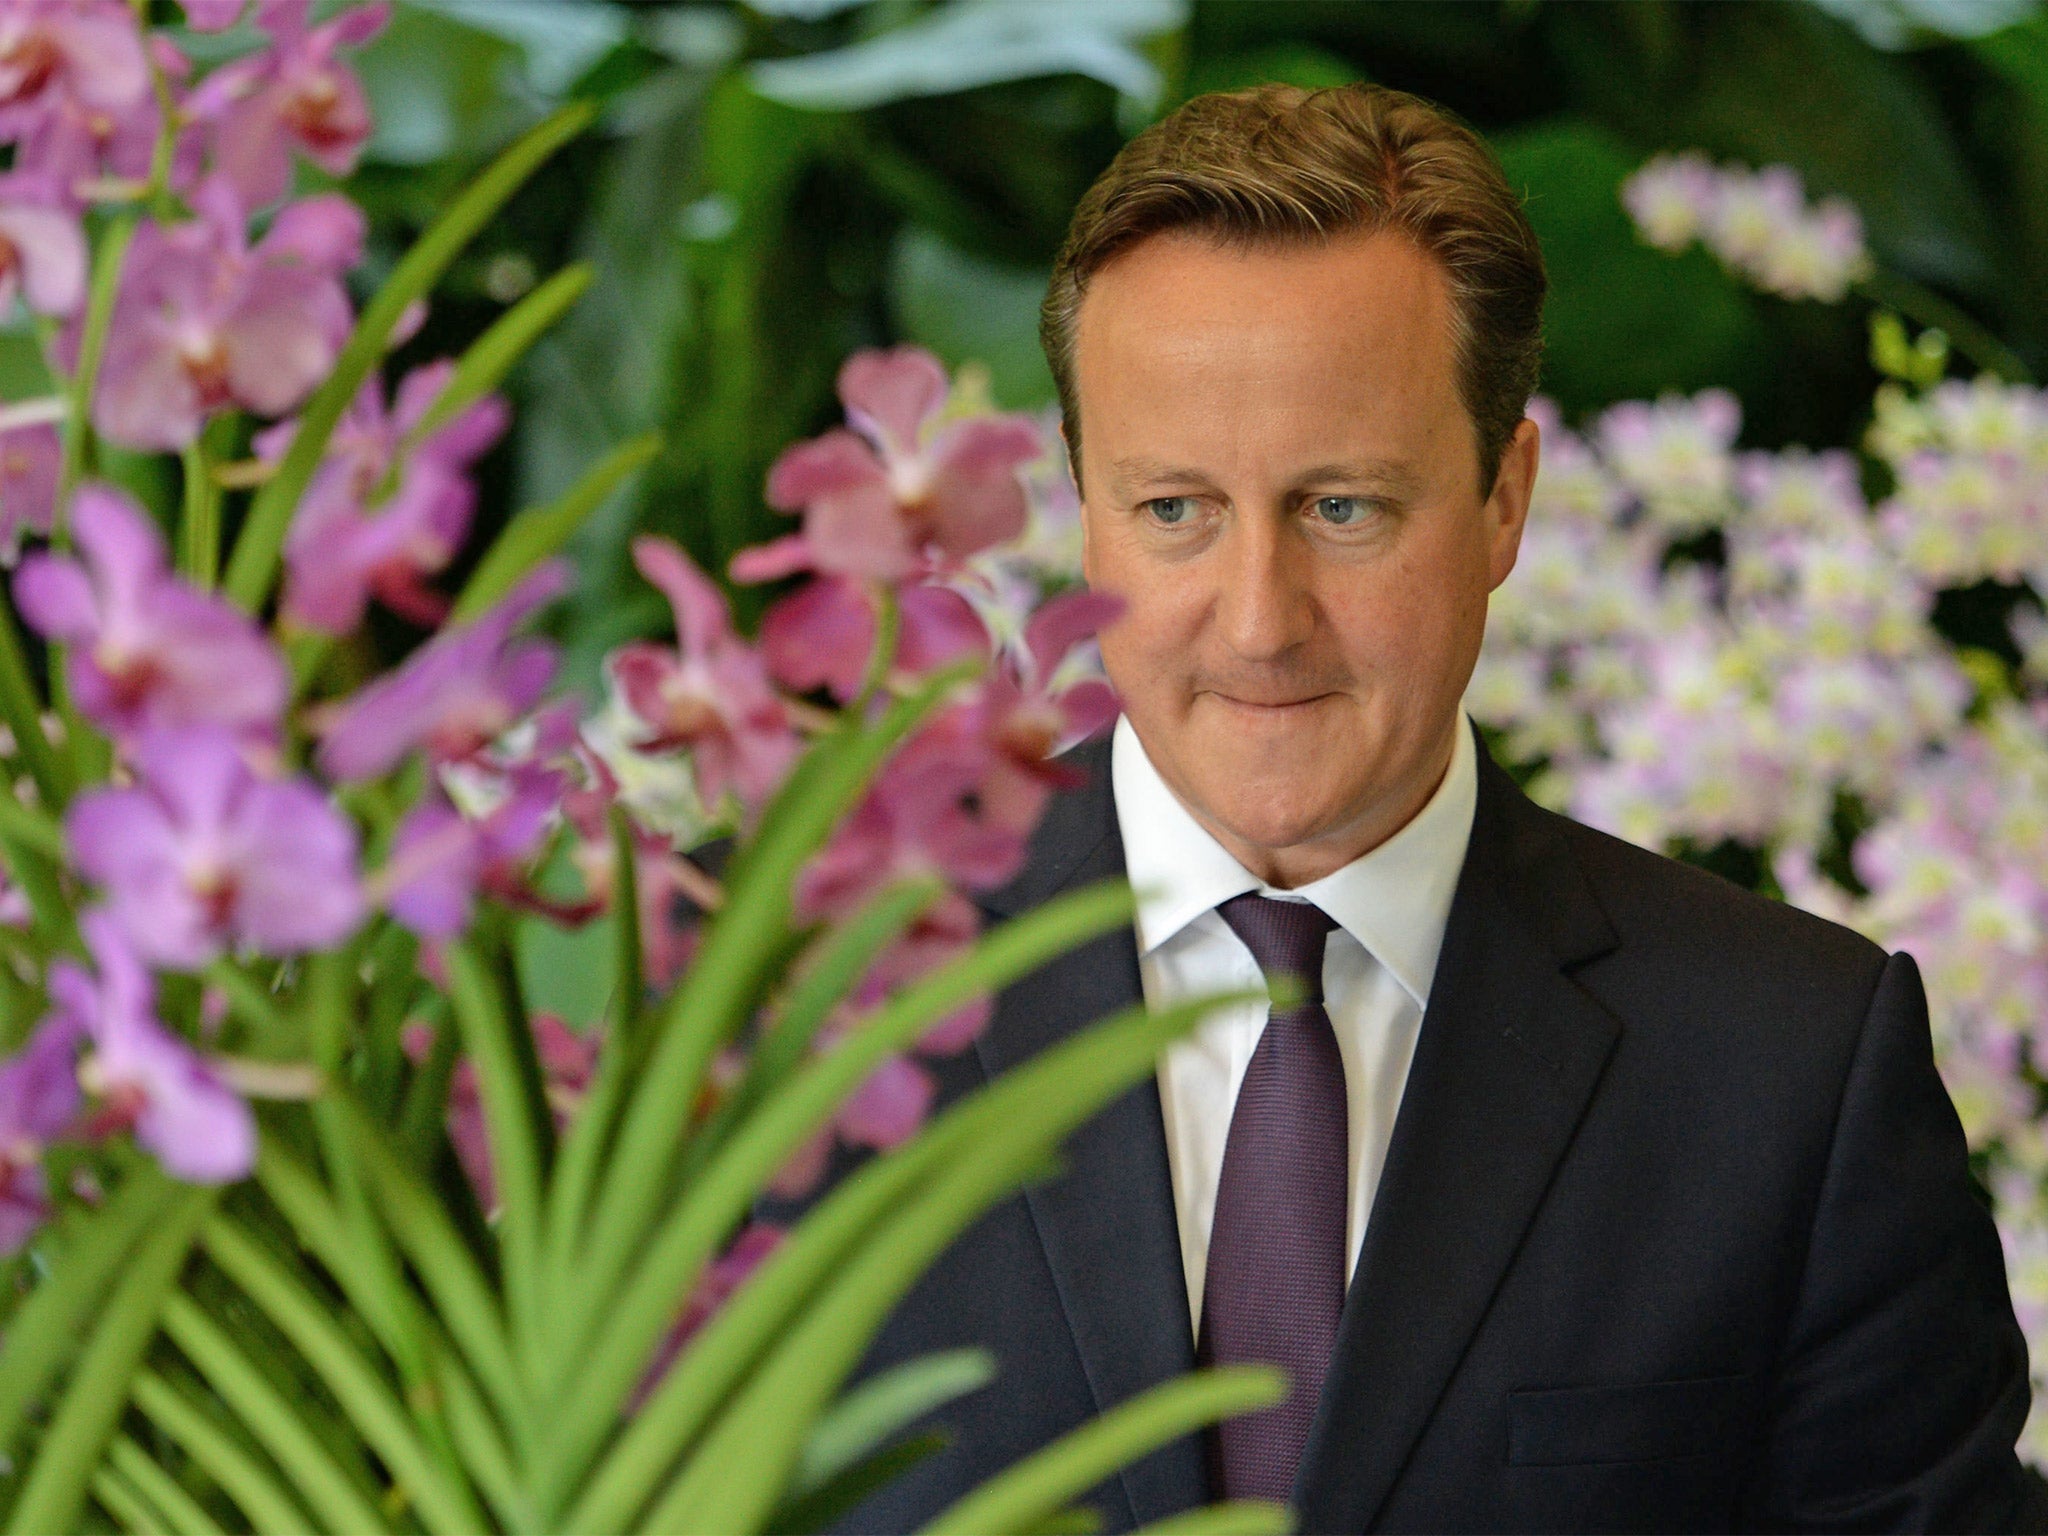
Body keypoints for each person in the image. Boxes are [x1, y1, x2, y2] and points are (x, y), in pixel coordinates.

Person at [838, 82, 2045, 1532]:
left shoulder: (1788, 1075)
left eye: (1343, 507)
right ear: (1083, 502)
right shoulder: (796, 1004)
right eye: (1175, 511)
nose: (1259, 622)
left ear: (1503, 501)